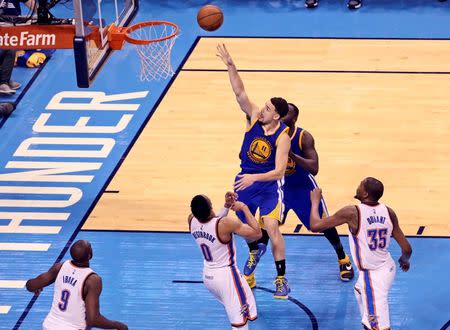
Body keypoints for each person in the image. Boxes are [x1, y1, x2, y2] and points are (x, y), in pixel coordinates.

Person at [216, 43, 291, 298]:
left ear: (277, 117)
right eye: (265, 105)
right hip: (245, 180)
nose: (263, 109)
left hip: (268, 185)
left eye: (268, 108)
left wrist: (254, 178)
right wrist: (230, 65)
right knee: (236, 225)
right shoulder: (253, 118)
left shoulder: (283, 136)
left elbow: (279, 172)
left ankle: (281, 278)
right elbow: (240, 93)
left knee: (271, 227)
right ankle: (254, 249)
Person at [254, 102, 354, 281]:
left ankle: (342, 257)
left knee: (324, 224)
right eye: (280, 114)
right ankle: (250, 272)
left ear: (294, 119)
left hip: (302, 188)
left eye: (286, 115)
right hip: (279, 188)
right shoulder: (268, 134)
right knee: (265, 229)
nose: (282, 118)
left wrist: (291, 154)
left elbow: (314, 168)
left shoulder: (303, 137)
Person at [309, 177, 412, 330]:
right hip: (387, 267)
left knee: (378, 326)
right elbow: (408, 249)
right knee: (359, 291)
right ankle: (369, 322)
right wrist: (404, 260)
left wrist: (315, 202)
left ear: (364, 193)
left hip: (373, 277)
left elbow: (315, 225)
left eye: (360, 185)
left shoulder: (352, 212)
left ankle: (371, 324)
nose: (357, 186)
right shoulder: (388, 211)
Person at [189, 192, 261, 329]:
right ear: (210, 208)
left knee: (240, 312)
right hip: (226, 277)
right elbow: (257, 233)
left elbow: (212, 222)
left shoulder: (191, 220)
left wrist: (226, 207)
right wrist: (244, 208)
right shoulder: (226, 224)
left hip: (208, 276)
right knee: (240, 324)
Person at [25, 240, 128, 330]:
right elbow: (93, 320)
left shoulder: (59, 267)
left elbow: (30, 286)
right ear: (90, 255)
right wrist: (118, 325)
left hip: (49, 326)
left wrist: (37, 286)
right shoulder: (92, 280)